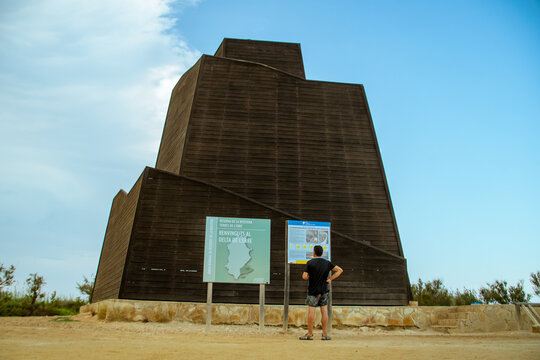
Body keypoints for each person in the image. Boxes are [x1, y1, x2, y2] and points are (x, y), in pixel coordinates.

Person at [299, 245, 343, 340]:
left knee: (311, 311)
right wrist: (330, 279)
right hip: (324, 290)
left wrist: (310, 277)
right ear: (322, 253)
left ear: (314, 252)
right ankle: (324, 334)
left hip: (313, 290)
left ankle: (310, 334)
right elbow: (340, 270)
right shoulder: (327, 263)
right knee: (324, 311)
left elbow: (304, 276)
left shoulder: (310, 263)